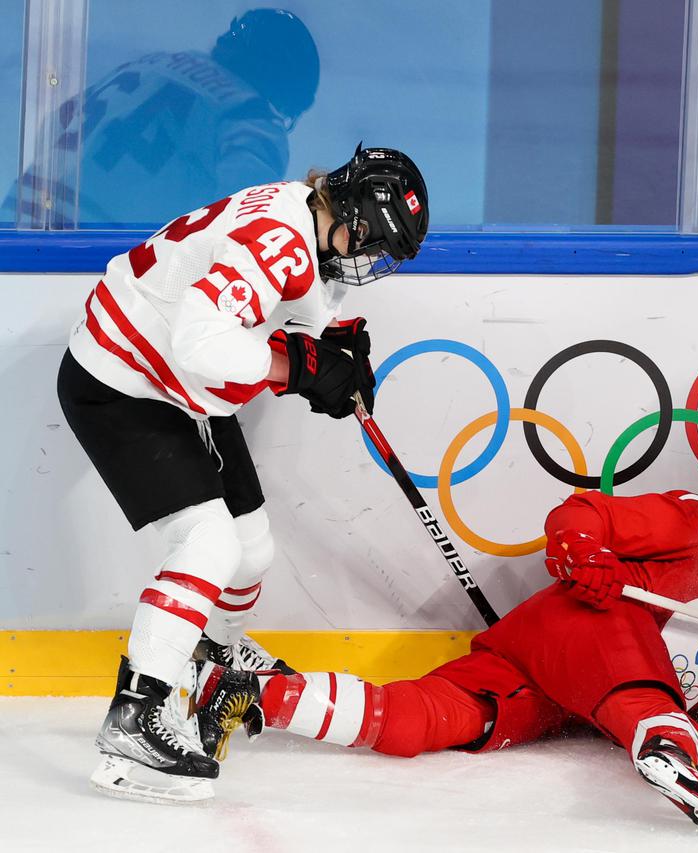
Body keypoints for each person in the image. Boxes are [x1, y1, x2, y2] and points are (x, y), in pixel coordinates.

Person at [57, 144, 429, 803]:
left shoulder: (306, 222)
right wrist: (302, 369)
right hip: (120, 381)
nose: (371, 261)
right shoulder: (279, 241)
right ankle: (134, 718)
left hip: (173, 384)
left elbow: (286, 307)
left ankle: (212, 660)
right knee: (210, 544)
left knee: (252, 551)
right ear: (352, 216)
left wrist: (334, 339)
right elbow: (200, 344)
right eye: (374, 243)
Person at [192, 457, 698, 832]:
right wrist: (583, 551)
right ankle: (674, 756)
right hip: (579, 624)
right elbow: (585, 514)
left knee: (428, 716)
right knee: (627, 651)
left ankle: (250, 695)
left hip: (563, 694)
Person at [6, 8, 320, 228]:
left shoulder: (149, 65)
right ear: (279, 82)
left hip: (22, 218)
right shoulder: (249, 116)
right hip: (110, 250)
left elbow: (57, 123)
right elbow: (244, 218)